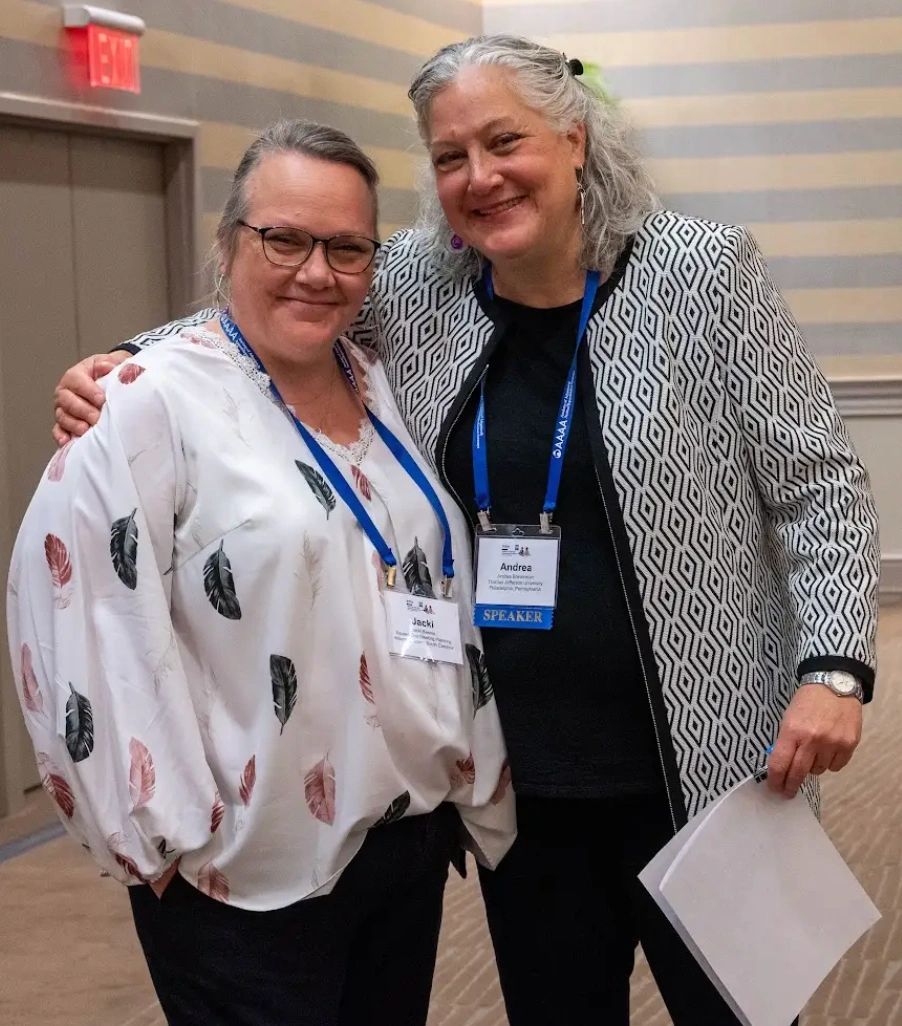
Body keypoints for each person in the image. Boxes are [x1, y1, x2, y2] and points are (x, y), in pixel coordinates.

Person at [50, 35, 879, 1026]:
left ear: (574, 139)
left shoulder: (702, 272)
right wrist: (121, 361)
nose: (480, 177)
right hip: (522, 782)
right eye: (450, 156)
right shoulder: (417, 281)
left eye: (504, 141)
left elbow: (819, 485)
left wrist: (834, 670)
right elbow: (270, 308)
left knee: (741, 1013)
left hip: (707, 766)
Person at [10, 119, 514, 1026]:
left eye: (347, 248)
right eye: (284, 239)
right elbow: (81, 619)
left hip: (400, 842)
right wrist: (165, 840)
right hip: (243, 872)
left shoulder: (376, 379)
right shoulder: (143, 404)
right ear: (228, 242)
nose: (317, 271)